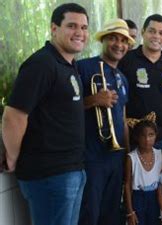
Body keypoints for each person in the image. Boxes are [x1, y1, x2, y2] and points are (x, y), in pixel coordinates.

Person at [2, 3, 88, 225]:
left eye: (84, 27)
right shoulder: (41, 64)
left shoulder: (68, 65)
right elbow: (14, 115)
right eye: (72, 25)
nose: (79, 32)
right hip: (50, 175)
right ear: (54, 28)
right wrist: (12, 157)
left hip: (71, 171)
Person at [77, 18, 134, 225]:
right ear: (103, 40)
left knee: (110, 214)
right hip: (92, 157)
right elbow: (63, 109)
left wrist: (126, 154)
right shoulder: (83, 67)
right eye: (113, 38)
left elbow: (122, 118)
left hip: (116, 157)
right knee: (89, 213)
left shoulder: (122, 77)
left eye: (123, 41)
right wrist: (93, 100)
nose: (119, 45)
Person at [118, 14, 162, 149]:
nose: (156, 36)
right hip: (133, 138)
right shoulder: (126, 61)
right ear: (143, 32)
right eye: (152, 31)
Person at [124, 116, 162, 225]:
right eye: (143, 135)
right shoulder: (131, 158)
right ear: (136, 137)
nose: (147, 139)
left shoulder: (160, 154)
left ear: (156, 136)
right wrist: (130, 212)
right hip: (138, 199)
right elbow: (127, 185)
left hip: (155, 198)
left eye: (151, 135)